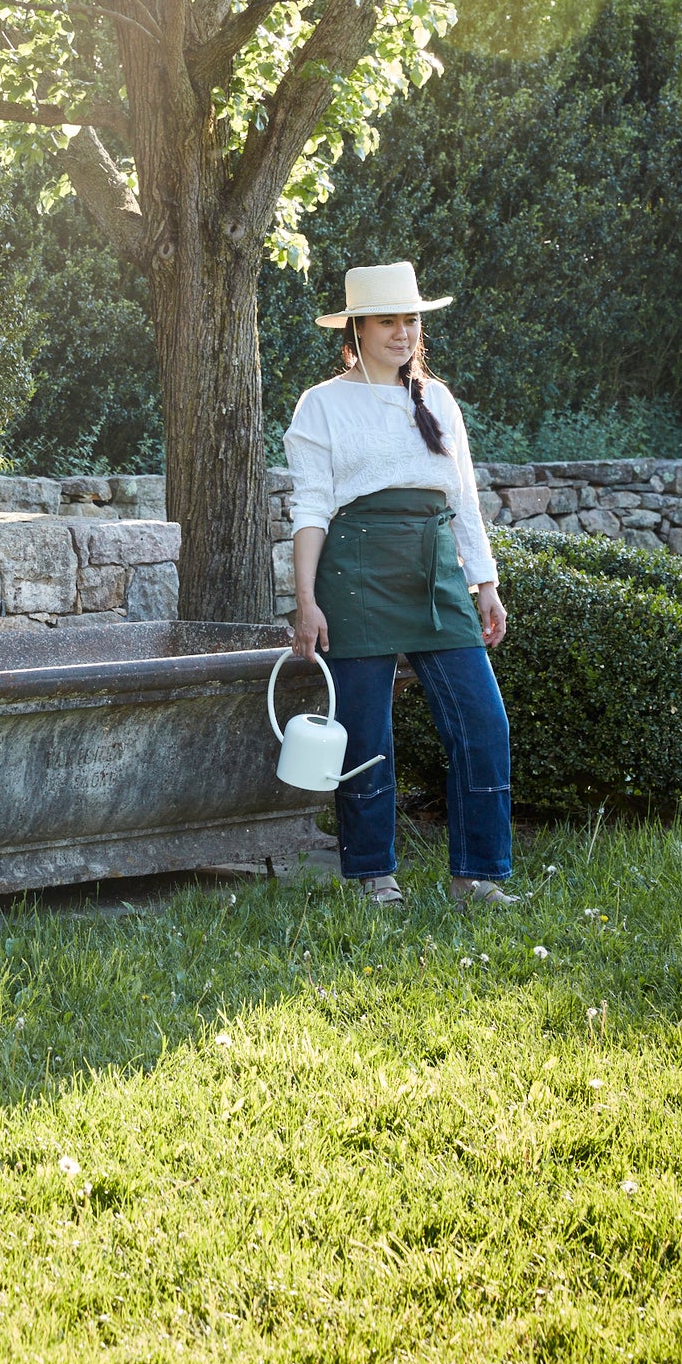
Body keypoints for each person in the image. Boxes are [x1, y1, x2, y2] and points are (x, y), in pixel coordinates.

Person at [284, 261, 519, 909]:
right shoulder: (322, 403)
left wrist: (485, 584)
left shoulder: (438, 400)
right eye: (387, 320)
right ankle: (371, 874)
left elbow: (464, 500)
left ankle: (476, 874)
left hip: (436, 570)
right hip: (355, 573)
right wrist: (306, 602)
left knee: (482, 722)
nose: (402, 331)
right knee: (364, 731)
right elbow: (310, 507)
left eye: (409, 319)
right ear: (357, 329)